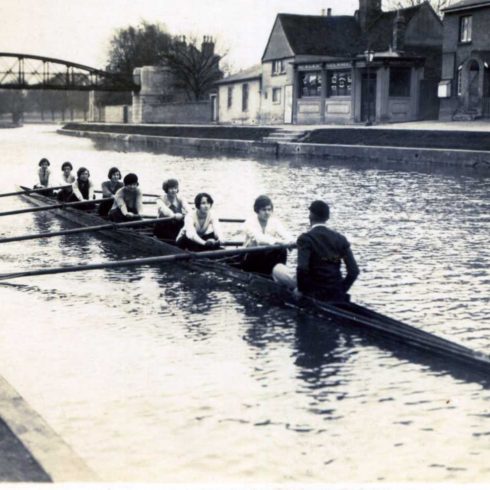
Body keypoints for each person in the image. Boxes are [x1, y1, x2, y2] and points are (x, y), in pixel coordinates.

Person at [273, 200, 359, 302]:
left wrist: (301, 290)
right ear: (327, 218)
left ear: (311, 216)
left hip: (313, 292)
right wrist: (341, 290)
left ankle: (285, 299)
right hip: (335, 291)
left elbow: (302, 269)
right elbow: (354, 271)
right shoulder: (341, 239)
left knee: (277, 268)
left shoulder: (305, 239)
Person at [241, 194, 293, 275]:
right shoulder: (249, 222)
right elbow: (259, 239)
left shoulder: (274, 222)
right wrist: (280, 242)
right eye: (264, 210)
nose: (267, 213)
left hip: (266, 256)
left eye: (269, 210)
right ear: (257, 210)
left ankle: (279, 275)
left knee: (282, 250)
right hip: (251, 257)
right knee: (279, 247)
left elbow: (285, 234)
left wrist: (290, 242)